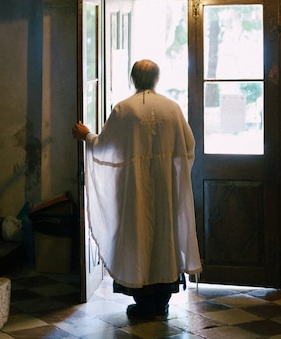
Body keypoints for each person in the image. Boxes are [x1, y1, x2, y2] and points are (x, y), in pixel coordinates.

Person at [72, 59, 202, 320]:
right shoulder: (172, 108)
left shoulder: (124, 109)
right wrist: (171, 174)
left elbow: (105, 145)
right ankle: (161, 302)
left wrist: (86, 135)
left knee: (136, 237)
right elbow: (189, 147)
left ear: (133, 79)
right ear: (157, 78)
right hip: (165, 190)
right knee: (165, 237)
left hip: (134, 190)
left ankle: (143, 303)